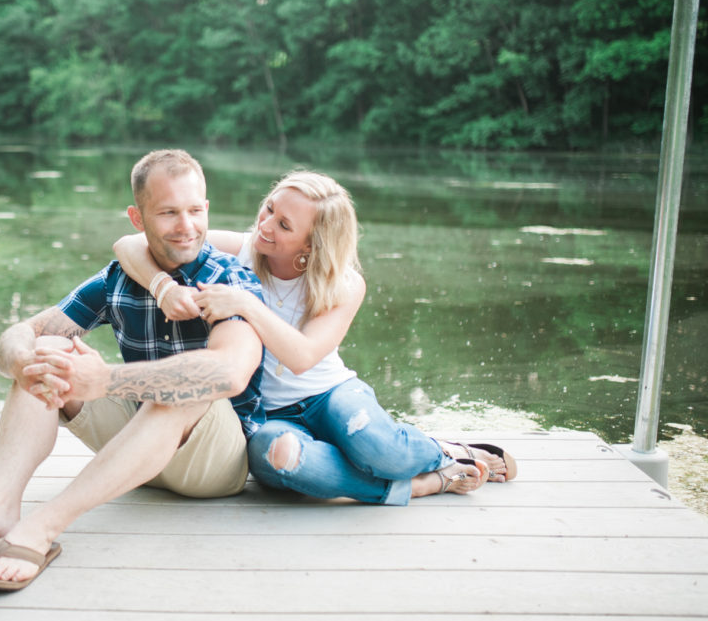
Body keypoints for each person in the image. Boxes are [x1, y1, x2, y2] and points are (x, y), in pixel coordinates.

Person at [0, 149, 266, 590]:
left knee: (186, 386)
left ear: (207, 210)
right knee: (49, 348)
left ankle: (42, 528)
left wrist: (105, 379)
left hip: (213, 465)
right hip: (139, 450)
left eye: (193, 211)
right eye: (168, 212)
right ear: (137, 217)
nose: (185, 226)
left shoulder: (232, 280)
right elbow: (20, 333)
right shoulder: (118, 278)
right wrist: (22, 361)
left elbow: (230, 372)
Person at [115, 170, 517, 506]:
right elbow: (129, 243)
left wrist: (247, 304)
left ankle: (444, 451)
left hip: (330, 395)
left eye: (283, 225)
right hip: (266, 415)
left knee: (381, 451)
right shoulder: (240, 248)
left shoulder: (343, 284)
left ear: (311, 245)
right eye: (269, 208)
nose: (265, 225)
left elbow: (302, 357)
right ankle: (420, 485)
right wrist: (163, 287)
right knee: (281, 463)